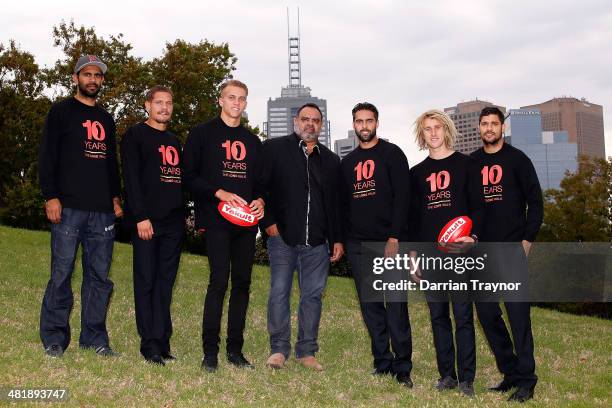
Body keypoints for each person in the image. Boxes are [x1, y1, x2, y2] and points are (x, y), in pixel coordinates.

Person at [38, 55, 122, 358]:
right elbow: (47, 157)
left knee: (99, 278)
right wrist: (51, 196)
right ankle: (54, 338)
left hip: (102, 211)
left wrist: (115, 197)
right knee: (61, 273)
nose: (92, 80)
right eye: (87, 74)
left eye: (97, 76)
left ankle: (95, 338)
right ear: (75, 78)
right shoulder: (60, 112)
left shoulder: (106, 118)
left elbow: (111, 164)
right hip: (68, 208)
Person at [183, 80, 265, 372]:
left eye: (242, 98)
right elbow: (188, 175)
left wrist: (260, 201)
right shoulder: (202, 134)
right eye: (231, 97)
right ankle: (210, 353)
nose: (236, 103)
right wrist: (218, 192)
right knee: (219, 281)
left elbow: (261, 183)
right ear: (220, 100)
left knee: (242, 284)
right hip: (216, 219)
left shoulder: (253, 141)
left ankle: (235, 350)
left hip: (245, 223)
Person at [260, 103, 344, 371]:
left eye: (316, 120)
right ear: (295, 121)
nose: (310, 124)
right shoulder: (274, 149)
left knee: (313, 297)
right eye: (305, 119)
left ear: (321, 124)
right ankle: (278, 349)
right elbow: (260, 187)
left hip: (317, 243)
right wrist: (268, 223)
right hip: (282, 238)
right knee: (279, 292)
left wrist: (337, 239)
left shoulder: (331, 160)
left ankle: (306, 351)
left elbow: (335, 205)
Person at [409, 110, 483, 397]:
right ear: (422, 134)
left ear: (447, 129)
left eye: (438, 127)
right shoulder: (416, 174)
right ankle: (447, 375)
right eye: (428, 128)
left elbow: (479, 207)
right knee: (438, 316)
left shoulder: (467, 165)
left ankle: (467, 379)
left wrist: (473, 237)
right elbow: (413, 220)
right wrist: (413, 255)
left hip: (459, 252)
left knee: (463, 315)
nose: (434, 133)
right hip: (429, 255)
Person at [471, 106, 543, 403]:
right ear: (479, 128)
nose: (489, 128)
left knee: (518, 318)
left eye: (494, 124)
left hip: (512, 249)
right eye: (484, 124)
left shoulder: (518, 160)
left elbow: (536, 203)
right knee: (487, 315)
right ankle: (510, 371)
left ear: (502, 128)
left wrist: (527, 240)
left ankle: (527, 380)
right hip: (481, 252)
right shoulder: (471, 163)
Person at [340, 102, 413, 387]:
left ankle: (403, 367)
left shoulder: (392, 154)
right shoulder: (347, 163)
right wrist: (344, 241)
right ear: (354, 125)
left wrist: (395, 236)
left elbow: (403, 198)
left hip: (389, 243)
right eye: (359, 121)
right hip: (359, 245)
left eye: (369, 121)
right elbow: (343, 205)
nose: (364, 126)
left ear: (377, 123)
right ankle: (382, 361)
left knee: (396, 305)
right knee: (371, 307)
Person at [120, 86, 184, 366]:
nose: (164, 108)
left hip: (173, 223)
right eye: (159, 103)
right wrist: (140, 217)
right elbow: (131, 180)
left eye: (169, 103)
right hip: (147, 221)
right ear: (147, 105)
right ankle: (149, 344)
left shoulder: (174, 139)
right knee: (146, 281)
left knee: (165, 283)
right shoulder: (135, 136)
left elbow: (179, 182)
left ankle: (162, 339)